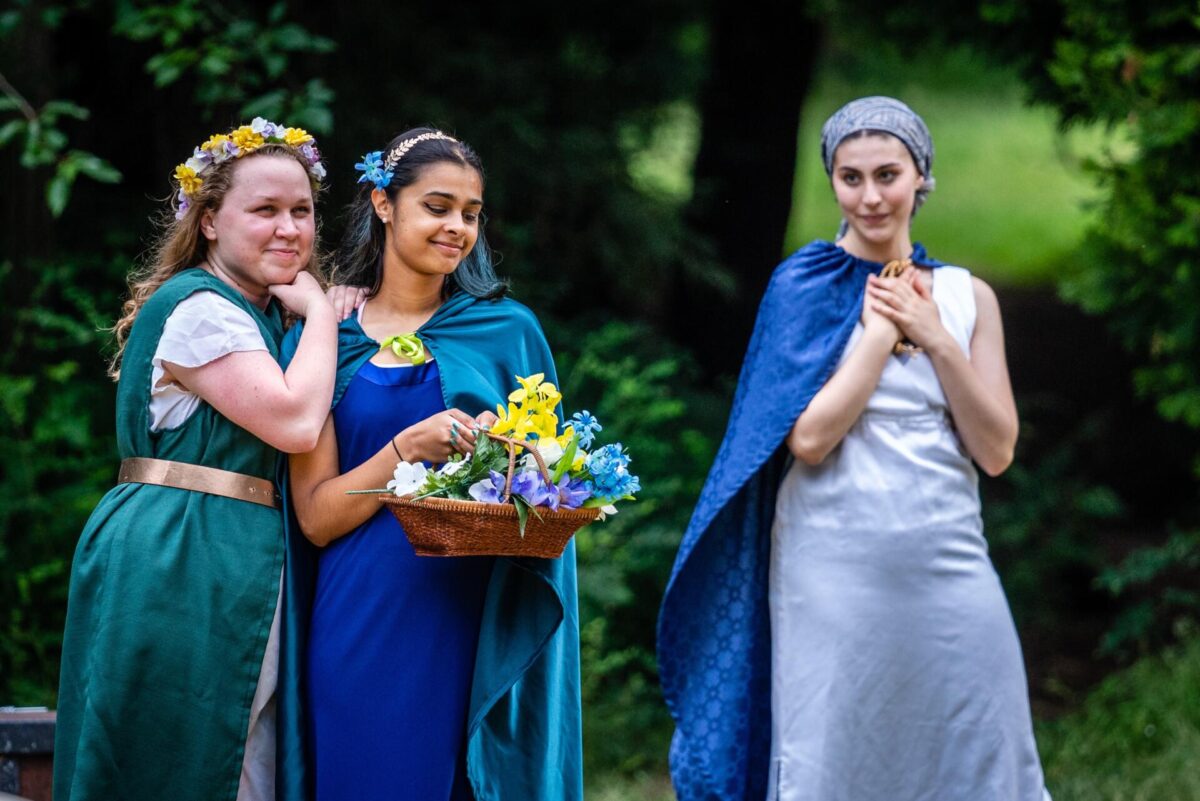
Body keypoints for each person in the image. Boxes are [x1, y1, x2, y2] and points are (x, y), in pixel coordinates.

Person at [658, 97, 1051, 801]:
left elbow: (995, 449)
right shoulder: (802, 287)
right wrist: (875, 336)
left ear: (921, 177)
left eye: (888, 174)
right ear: (834, 182)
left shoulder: (967, 298)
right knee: (836, 752)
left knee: (983, 748)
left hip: (947, 556)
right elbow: (808, 440)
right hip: (831, 565)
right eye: (851, 177)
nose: (870, 196)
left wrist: (932, 334)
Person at [279, 128, 583, 801]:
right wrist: (402, 450)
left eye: (471, 214)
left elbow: (550, 488)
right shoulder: (327, 338)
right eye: (438, 207)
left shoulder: (507, 331)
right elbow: (316, 517)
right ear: (384, 204)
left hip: (470, 614)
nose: (458, 228)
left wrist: (515, 459)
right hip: (359, 616)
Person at [54, 119, 340, 801]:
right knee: (178, 746)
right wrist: (325, 314)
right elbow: (297, 421)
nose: (289, 228)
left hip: (224, 543)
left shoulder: (261, 311)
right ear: (210, 221)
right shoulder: (201, 310)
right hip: (180, 549)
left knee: (235, 754)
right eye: (264, 210)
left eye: (301, 211)